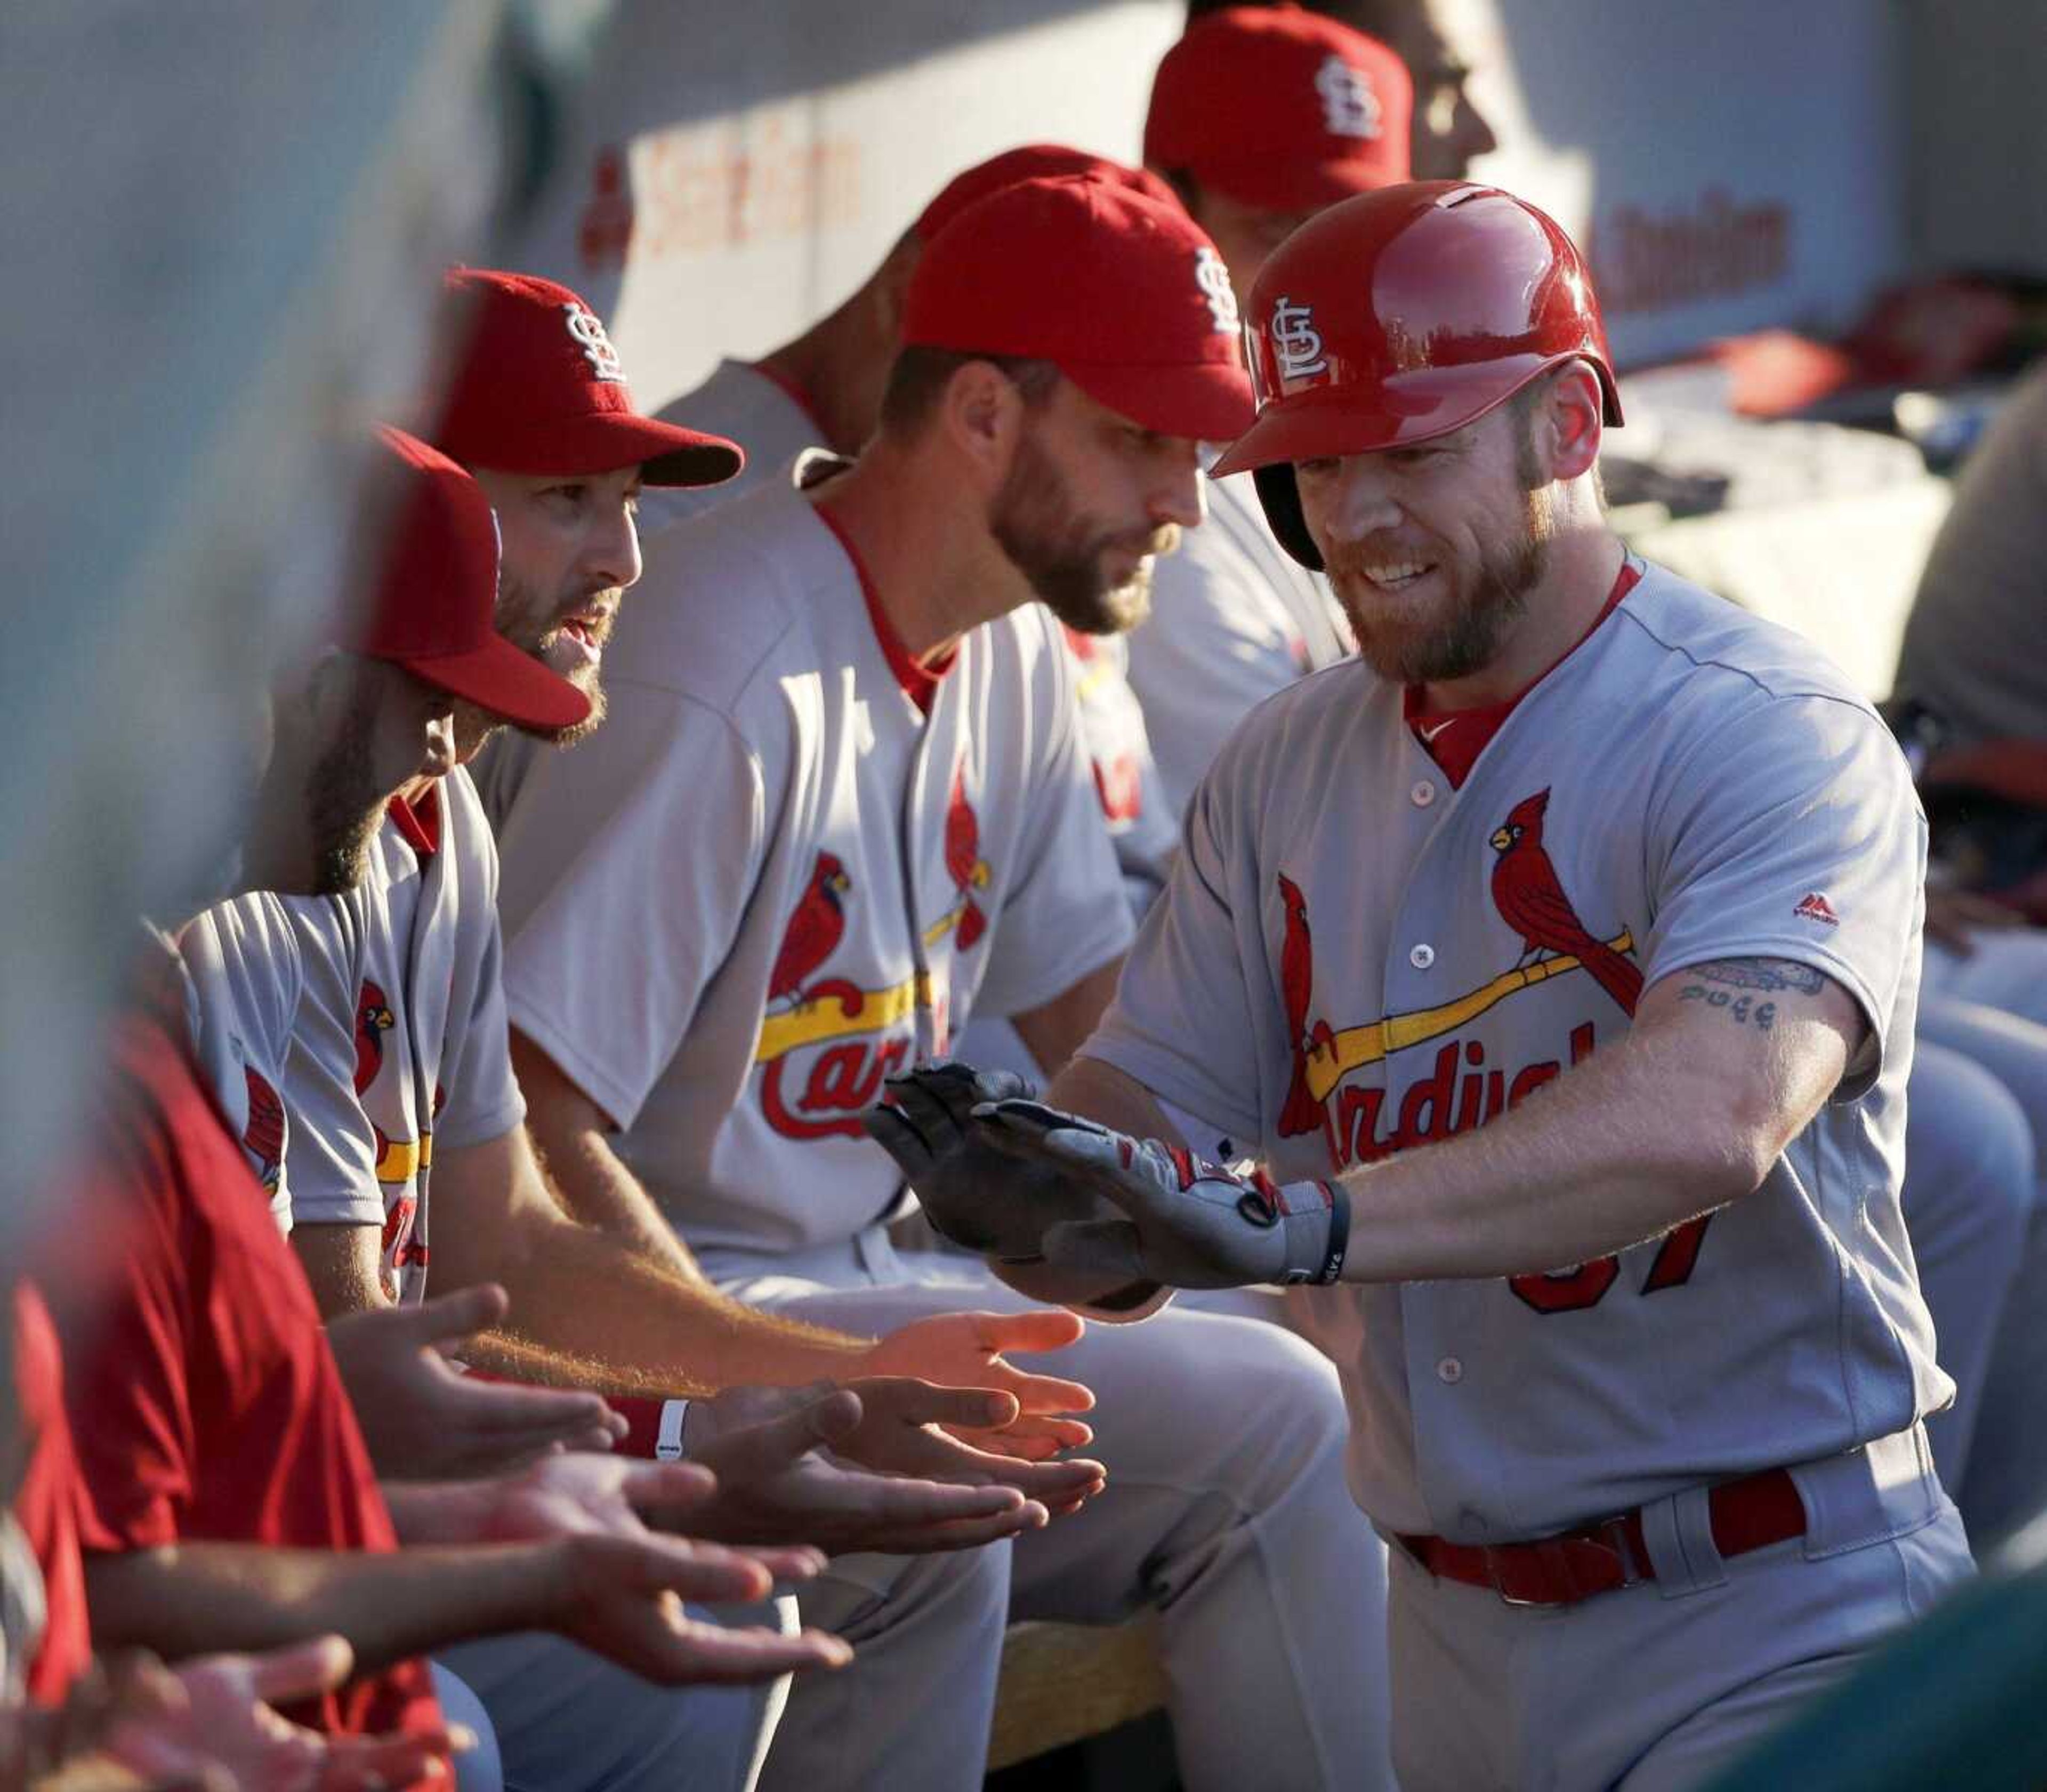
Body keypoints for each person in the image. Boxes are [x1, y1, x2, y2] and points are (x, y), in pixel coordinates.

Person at [877, 182, 1974, 1791]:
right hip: (1445, 1635)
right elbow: (1154, 1104)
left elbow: (1715, 1112)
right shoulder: (1285, 764)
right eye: (1319, 464)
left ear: (1573, 424)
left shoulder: (1760, 727)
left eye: (1412, 450)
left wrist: (1307, 1221)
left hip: (1772, 1610)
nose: (1359, 516)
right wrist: (1034, 1180)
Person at [486, 176, 1393, 1792]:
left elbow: (1112, 1033)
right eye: (1141, 439)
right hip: (681, 1304)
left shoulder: (1016, 641)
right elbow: (524, 1123)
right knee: (1087, 1450)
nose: (1187, 498)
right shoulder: (724, 660)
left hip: (872, 1275)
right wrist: (761, 1383)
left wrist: (1337, 1236)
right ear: (982, 410)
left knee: (1294, 1402)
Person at [183, 288, 1097, 1792]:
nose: (623, 556)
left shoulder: (439, 814)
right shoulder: (273, 849)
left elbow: (508, 1240)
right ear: (401, 501)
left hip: (336, 1487)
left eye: (623, 502)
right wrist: (695, 1422)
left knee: (869, 1572)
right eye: (562, 501)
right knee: (469, 1736)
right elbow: (352, 1355)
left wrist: (816, 1386)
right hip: (223, 1533)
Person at [35, 430, 846, 1790]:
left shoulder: (309, 873)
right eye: (429, 694)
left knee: (691, 1617)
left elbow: (370, 1338)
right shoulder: (146, 971)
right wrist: (661, 1444)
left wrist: (668, 1447)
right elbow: (149, 1523)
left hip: (179, 1550)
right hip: (123, 1597)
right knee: (440, 1739)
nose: (455, 744)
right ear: (292, 678)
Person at [623, 144, 1187, 922]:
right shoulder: (679, 548)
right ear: (910, 297)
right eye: (1131, 431)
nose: (1181, 502)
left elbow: (1077, 962)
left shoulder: (1013, 572)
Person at [1129, 4, 1412, 817]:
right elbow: (1292, 836)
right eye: (1279, 232)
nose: (1320, 280)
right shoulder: (1145, 485)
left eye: (1352, 233)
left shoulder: (1383, 431)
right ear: (1170, 209)